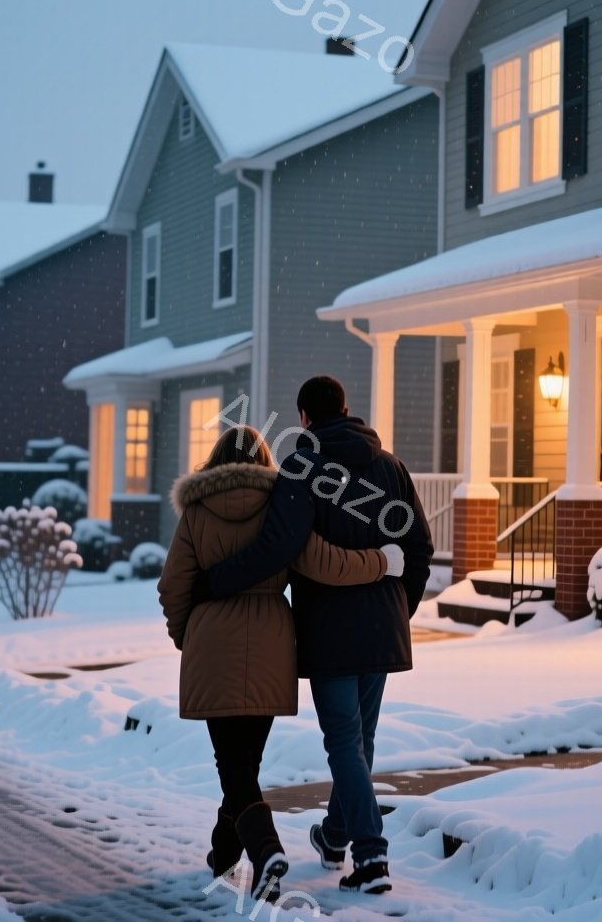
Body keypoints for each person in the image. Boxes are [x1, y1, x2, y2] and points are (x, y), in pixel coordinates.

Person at [200, 376, 433, 896]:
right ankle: (333, 837)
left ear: (304, 417)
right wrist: (400, 608)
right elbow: (419, 546)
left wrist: (216, 580)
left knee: (347, 745)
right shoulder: (390, 467)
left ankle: (371, 856)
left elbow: (278, 547)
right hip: (382, 629)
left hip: (329, 633)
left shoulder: (302, 469)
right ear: (347, 410)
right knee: (359, 744)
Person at [158, 424, 405, 903]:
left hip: (212, 647)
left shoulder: (195, 512)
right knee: (242, 763)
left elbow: (173, 586)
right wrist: (381, 562)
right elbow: (325, 562)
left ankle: (267, 850)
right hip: (272, 648)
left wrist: (186, 636)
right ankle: (223, 855)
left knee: (235, 766)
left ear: (215, 458)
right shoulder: (283, 506)